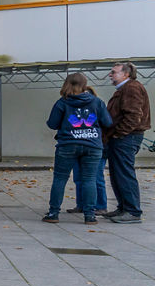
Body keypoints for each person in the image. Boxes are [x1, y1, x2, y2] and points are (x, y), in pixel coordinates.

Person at [43, 72, 112, 225]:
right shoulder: (97, 102)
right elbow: (107, 122)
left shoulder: (62, 103)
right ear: (84, 84)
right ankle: (90, 216)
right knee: (90, 179)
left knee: (60, 179)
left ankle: (53, 213)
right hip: (92, 146)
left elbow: (52, 124)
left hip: (67, 145)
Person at [103, 61, 151, 223]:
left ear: (126, 74)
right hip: (124, 137)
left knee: (124, 173)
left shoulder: (131, 88)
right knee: (118, 174)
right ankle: (124, 208)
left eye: (114, 72)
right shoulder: (126, 88)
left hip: (126, 138)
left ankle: (132, 211)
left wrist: (119, 134)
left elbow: (133, 116)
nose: (110, 74)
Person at [68, 85, 108, 216]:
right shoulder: (76, 108)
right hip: (81, 145)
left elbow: (107, 124)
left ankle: (100, 206)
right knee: (79, 177)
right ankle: (82, 205)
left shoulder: (97, 107)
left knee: (96, 178)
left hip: (95, 147)